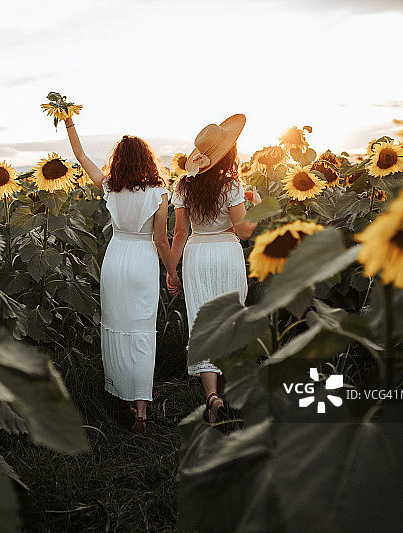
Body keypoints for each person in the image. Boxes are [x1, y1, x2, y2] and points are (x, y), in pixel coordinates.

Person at [64, 116, 181, 434]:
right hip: (143, 262)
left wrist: (70, 123)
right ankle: (141, 412)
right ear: (147, 161)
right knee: (142, 332)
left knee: (115, 329)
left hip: (116, 260)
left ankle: (121, 397)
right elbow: (161, 240)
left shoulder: (109, 187)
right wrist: (172, 273)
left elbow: (81, 156)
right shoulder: (159, 193)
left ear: (119, 161)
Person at [166, 114, 262, 423]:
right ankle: (230, 390)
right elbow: (244, 231)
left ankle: (211, 396)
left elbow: (179, 234)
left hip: (196, 254)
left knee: (201, 323)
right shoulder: (232, 186)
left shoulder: (182, 186)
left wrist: (171, 270)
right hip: (226, 252)